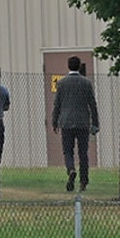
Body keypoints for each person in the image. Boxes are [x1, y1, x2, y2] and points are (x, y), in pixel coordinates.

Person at [51, 55, 99, 192]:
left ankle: (71, 169)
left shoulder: (61, 83)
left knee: (68, 151)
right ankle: (84, 181)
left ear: (68, 66)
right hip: (83, 122)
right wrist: (95, 123)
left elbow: (57, 104)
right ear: (79, 66)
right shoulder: (86, 83)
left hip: (66, 122)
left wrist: (55, 121)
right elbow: (92, 104)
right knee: (83, 152)